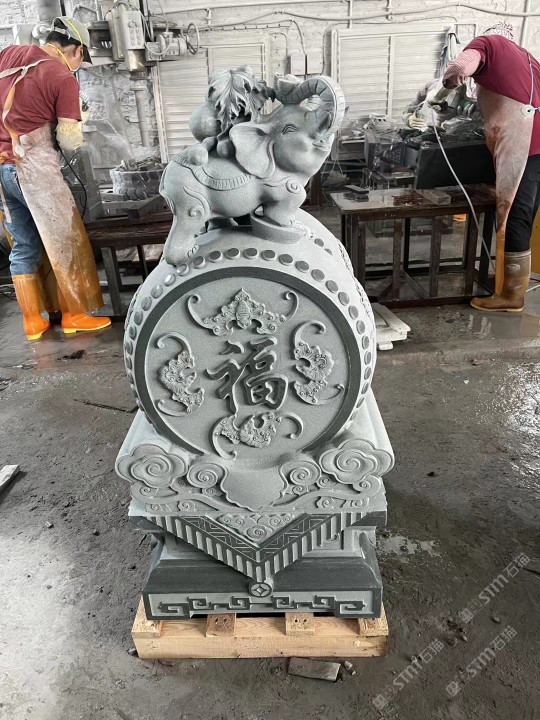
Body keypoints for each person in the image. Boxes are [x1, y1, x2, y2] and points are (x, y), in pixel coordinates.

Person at [0, 16, 110, 340]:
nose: (77, 66)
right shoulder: (62, 77)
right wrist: (78, 117)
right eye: (80, 60)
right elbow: (69, 140)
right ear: (76, 50)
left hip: (3, 170)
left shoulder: (9, 54)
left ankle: (32, 322)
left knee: (23, 244)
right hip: (35, 171)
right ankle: (75, 315)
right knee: (64, 240)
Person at [428, 22, 540, 312]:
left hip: (525, 142)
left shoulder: (486, 44)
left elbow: (458, 69)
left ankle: (511, 296)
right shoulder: (528, 59)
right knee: (527, 212)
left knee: (514, 214)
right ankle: (511, 283)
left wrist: (445, 88)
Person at [404, 31, 478, 132]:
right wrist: (409, 119)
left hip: (452, 136)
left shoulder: (471, 94)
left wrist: (467, 120)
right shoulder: (430, 86)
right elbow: (410, 108)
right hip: (426, 133)